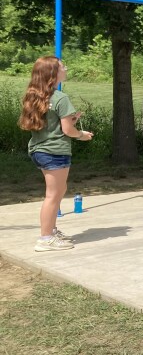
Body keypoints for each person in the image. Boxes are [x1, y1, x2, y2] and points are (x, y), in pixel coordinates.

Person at [18, 56, 93, 252]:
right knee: (53, 195)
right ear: (53, 73)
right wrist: (82, 135)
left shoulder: (35, 96)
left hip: (39, 150)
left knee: (57, 192)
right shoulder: (60, 98)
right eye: (62, 66)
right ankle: (45, 238)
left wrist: (71, 120)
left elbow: (53, 126)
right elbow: (67, 131)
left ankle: (50, 230)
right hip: (55, 152)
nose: (65, 68)